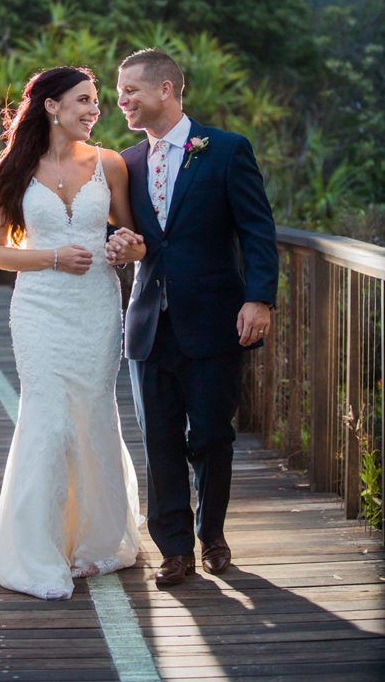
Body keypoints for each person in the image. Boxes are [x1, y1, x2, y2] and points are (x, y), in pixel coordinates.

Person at [0, 66, 143, 600]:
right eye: (84, 100)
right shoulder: (12, 171)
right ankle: (36, 548)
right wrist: (53, 257)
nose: (95, 110)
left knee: (91, 414)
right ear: (50, 105)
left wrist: (126, 247)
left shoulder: (109, 164)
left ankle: (96, 542)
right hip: (40, 308)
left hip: (96, 308)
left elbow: (132, 236)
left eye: (96, 102)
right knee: (48, 417)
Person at [106, 48, 278, 587]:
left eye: (131, 89)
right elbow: (125, 232)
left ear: (166, 89)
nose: (122, 99)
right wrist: (121, 243)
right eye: (119, 91)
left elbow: (256, 230)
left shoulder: (225, 149)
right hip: (148, 322)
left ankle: (214, 534)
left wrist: (260, 298)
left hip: (215, 318)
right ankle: (174, 549)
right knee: (158, 439)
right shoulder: (125, 163)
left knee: (210, 436)